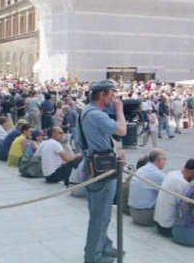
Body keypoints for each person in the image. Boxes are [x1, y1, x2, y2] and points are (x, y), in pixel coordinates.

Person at [80, 80, 126, 263]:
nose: (114, 99)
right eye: (112, 95)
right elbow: (122, 130)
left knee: (101, 213)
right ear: (102, 95)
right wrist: (119, 110)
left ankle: (104, 246)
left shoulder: (89, 111)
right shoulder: (96, 115)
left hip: (97, 164)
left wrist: (115, 150)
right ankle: (94, 256)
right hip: (101, 169)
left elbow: (104, 137)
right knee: (100, 216)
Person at [154, 158, 194, 237]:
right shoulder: (183, 184)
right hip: (167, 227)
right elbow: (184, 210)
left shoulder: (172, 173)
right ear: (193, 172)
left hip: (157, 222)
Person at [128, 149, 166, 226]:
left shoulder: (142, 169)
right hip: (146, 216)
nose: (165, 162)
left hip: (133, 212)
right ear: (159, 160)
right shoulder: (157, 174)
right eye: (164, 159)